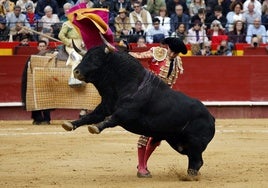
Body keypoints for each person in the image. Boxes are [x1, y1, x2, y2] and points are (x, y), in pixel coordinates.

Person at [129, 37, 187, 178]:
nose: (173, 55)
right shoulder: (158, 52)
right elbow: (136, 56)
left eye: (177, 53)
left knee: (158, 135)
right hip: (148, 97)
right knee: (145, 133)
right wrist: (122, 53)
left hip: (164, 101)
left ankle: (143, 163)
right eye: (173, 51)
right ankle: (142, 167)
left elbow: (171, 84)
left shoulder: (178, 60)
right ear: (168, 47)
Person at [31, 40, 52, 125]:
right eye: (40, 46)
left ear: (46, 47)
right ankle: (37, 118)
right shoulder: (34, 57)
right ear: (37, 47)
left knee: (46, 101)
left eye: (44, 46)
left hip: (46, 82)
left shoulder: (50, 57)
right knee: (35, 100)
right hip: (36, 82)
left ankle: (47, 119)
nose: (42, 48)